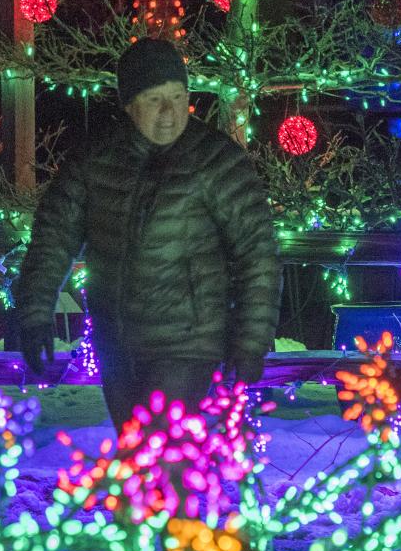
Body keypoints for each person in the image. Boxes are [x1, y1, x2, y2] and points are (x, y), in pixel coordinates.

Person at [15, 38, 281, 431]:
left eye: (178, 96)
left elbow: (258, 253)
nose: (170, 112)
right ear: (129, 104)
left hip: (188, 344)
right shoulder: (96, 158)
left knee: (158, 455)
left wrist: (250, 342)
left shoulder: (217, 162)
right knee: (140, 464)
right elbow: (54, 236)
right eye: (155, 99)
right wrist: (35, 313)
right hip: (118, 344)